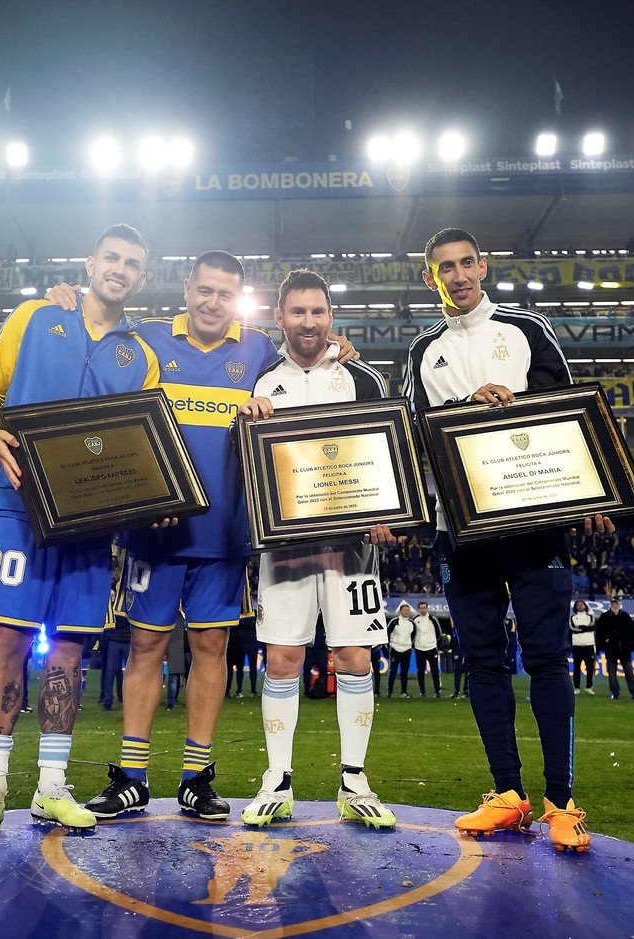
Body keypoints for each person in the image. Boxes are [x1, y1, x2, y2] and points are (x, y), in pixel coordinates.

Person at [46, 253, 358, 821]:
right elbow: (101, 367)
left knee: (211, 647)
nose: (213, 303)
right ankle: (133, 777)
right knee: (145, 647)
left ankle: (196, 777)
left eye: (225, 294)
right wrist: (66, 297)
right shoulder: (145, 341)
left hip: (226, 533)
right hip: (154, 532)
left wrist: (342, 347)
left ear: (238, 299)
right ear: (186, 288)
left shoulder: (259, 349)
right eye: (204, 291)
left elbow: (309, 355)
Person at [403, 227, 614, 852]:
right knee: (484, 662)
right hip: (459, 529)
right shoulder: (421, 352)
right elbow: (410, 437)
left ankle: (561, 802)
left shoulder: (526, 330)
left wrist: (516, 403)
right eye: (446, 267)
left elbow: (568, 412)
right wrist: (466, 410)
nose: (459, 274)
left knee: (548, 658)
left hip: (532, 524)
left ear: (485, 266)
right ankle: (507, 793)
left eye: (468, 263)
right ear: (430, 277)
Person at [0, 224, 160, 840]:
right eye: (111, 258)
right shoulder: (35, 316)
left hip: (90, 525)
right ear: (89, 262)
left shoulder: (141, 356)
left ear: (142, 279)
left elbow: (145, 446)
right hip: (19, 509)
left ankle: (51, 789)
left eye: (132, 263)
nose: (119, 269)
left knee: (69, 651)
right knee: (6, 642)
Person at [237, 268, 396, 829]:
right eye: (298, 312)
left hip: (352, 547)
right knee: (281, 658)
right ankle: (277, 780)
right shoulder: (258, 378)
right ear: (279, 317)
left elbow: (385, 455)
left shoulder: (363, 379)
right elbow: (244, 463)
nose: (309, 322)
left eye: (318, 312)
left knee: (353, 656)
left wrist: (385, 516)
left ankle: (354, 781)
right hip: (283, 548)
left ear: (332, 316)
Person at [596, 597, 634, 701]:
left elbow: (632, 630)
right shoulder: (605, 616)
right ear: (611, 604)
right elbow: (599, 631)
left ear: (619, 604)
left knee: (629, 673)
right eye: (613, 603)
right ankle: (615, 693)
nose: (615, 605)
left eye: (616, 603)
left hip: (624, 648)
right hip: (611, 648)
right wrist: (605, 640)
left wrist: (630, 642)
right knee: (612, 674)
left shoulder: (625, 616)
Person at [412, 600, 442, 697]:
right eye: (421, 608)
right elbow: (412, 633)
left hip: (431, 648)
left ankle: (437, 691)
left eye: (424, 608)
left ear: (427, 608)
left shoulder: (433, 619)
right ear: (418, 609)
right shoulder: (415, 619)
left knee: (435, 670)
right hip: (419, 648)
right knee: (420, 671)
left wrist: (434, 644)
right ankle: (422, 691)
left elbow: (439, 634)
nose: (423, 609)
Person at [387, 600, 414, 697]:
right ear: (400, 611)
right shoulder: (394, 621)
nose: (406, 612)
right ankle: (390, 691)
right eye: (404, 610)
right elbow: (387, 633)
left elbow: (413, 636)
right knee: (393, 671)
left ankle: (404, 692)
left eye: (408, 610)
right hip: (395, 649)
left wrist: (409, 645)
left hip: (407, 650)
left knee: (404, 672)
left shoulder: (411, 623)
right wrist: (389, 646)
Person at [570, 600, 597, 695]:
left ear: (585, 606)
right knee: (577, 667)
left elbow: (593, 628)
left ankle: (589, 687)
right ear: (576, 607)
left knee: (590, 668)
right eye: (578, 605)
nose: (580, 606)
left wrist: (581, 627)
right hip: (577, 645)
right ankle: (576, 687)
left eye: (582, 604)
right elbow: (573, 629)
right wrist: (586, 628)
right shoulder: (573, 617)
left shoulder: (590, 617)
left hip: (589, 644)